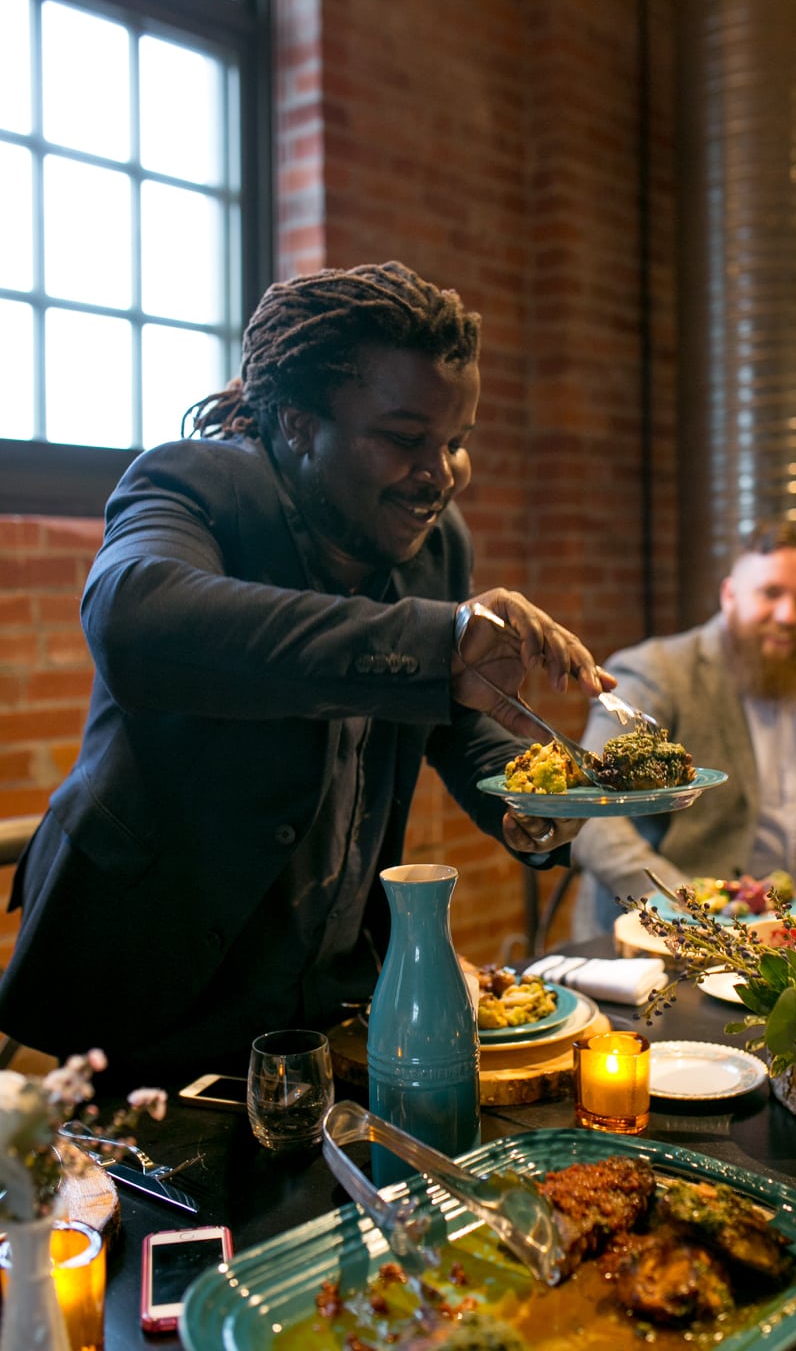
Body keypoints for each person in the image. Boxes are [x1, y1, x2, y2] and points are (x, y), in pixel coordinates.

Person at [0, 261, 613, 1083]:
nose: (439, 475)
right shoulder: (192, 483)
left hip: (326, 995)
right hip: (145, 996)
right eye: (404, 440)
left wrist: (525, 798)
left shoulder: (436, 540)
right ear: (296, 423)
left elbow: (441, 705)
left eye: (454, 444)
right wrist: (441, 642)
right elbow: (134, 618)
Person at [571, 519, 796, 940]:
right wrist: (685, 906)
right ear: (729, 595)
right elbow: (590, 812)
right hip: (666, 938)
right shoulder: (657, 673)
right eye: (771, 593)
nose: (788, 615)